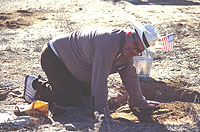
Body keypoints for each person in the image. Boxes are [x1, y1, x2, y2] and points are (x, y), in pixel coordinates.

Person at [23, 22, 160, 118]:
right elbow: (99, 79)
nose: (134, 51)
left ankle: (60, 86)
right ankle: (35, 84)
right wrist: (101, 113)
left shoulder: (127, 51)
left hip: (74, 70)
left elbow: (129, 74)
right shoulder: (108, 42)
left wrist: (139, 101)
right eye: (135, 45)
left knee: (87, 99)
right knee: (73, 101)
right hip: (54, 58)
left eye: (139, 50)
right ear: (129, 34)